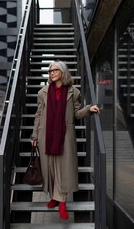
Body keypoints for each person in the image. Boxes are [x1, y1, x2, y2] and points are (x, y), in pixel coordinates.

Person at [30, 60, 100, 220]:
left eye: (55, 70)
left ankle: (62, 202)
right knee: (51, 169)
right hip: (46, 135)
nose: (52, 73)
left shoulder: (73, 92)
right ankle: (54, 197)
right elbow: (38, 115)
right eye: (50, 71)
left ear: (63, 72)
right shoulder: (43, 92)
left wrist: (89, 109)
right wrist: (34, 135)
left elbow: (76, 113)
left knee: (63, 169)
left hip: (65, 136)